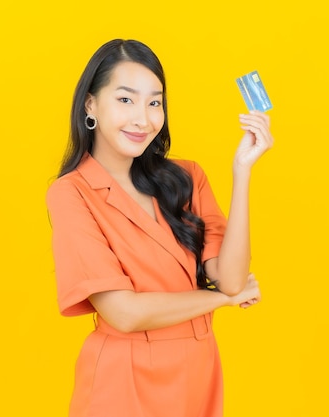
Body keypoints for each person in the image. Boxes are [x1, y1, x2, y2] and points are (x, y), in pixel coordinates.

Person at [46, 39, 273, 417]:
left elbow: (232, 279)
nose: (143, 118)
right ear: (91, 105)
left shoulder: (186, 178)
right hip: (123, 381)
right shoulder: (71, 193)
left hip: (198, 370)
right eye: (125, 100)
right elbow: (125, 313)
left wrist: (243, 171)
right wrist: (221, 299)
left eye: (155, 102)